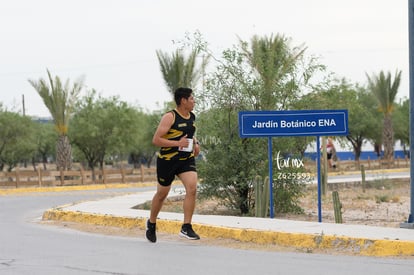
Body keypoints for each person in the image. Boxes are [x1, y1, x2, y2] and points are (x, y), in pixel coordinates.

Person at [146, 87, 201, 243]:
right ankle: (151, 223)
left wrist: (196, 144)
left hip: (186, 160)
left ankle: (186, 227)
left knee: (192, 188)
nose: (194, 101)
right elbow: (156, 140)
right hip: (168, 161)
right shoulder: (170, 117)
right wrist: (178, 143)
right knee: (162, 194)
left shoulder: (192, 116)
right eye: (191, 99)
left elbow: (190, 135)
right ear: (183, 100)